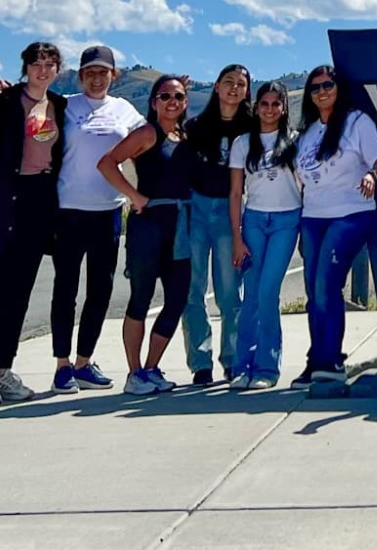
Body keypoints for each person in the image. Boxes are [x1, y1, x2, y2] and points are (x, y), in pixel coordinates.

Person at [0, 40, 67, 406]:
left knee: (21, 292)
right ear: (25, 67)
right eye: (36, 63)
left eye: (50, 63)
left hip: (38, 205)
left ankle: (4, 371)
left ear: (58, 69)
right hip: (4, 204)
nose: (43, 69)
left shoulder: (60, 106)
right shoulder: (6, 103)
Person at [48, 45, 143, 391]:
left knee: (100, 290)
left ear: (113, 76)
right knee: (65, 289)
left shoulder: (124, 110)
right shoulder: (64, 106)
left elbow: (151, 140)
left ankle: (84, 362)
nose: (97, 78)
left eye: (103, 72)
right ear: (80, 76)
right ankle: (62, 365)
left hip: (108, 212)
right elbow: (32, 115)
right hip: (69, 210)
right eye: (90, 72)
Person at [98, 75, 197, 395]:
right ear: (154, 101)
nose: (172, 101)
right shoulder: (146, 133)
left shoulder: (185, 135)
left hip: (180, 227)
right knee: (140, 298)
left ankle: (152, 367)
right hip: (149, 225)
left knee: (177, 298)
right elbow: (107, 163)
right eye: (165, 95)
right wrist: (134, 196)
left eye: (178, 97)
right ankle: (134, 372)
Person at [296, 64, 377, 394]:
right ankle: (318, 359)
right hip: (313, 216)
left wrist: (371, 176)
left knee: (326, 287)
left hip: (350, 213)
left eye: (328, 85)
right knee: (313, 294)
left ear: (339, 88)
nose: (322, 91)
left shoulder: (356, 122)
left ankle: (331, 361)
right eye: (316, 87)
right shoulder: (307, 134)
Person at [228, 79, 303, 391]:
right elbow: (235, 193)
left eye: (276, 104)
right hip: (255, 220)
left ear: (284, 108)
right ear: (256, 107)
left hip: (287, 219)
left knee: (268, 292)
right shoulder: (243, 143)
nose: (270, 109)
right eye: (264, 104)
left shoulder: (296, 141)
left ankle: (267, 367)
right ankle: (240, 365)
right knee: (251, 294)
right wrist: (237, 235)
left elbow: (307, 184)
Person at [182, 63, 253, 386]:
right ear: (216, 87)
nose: (234, 88)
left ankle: (232, 358)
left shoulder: (251, 126)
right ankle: (200, 362)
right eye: (229, 82)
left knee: (229, 292)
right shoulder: (196, 126)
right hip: (196, 207)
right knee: (193, 290)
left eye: (241, 84)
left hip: (230, 210)